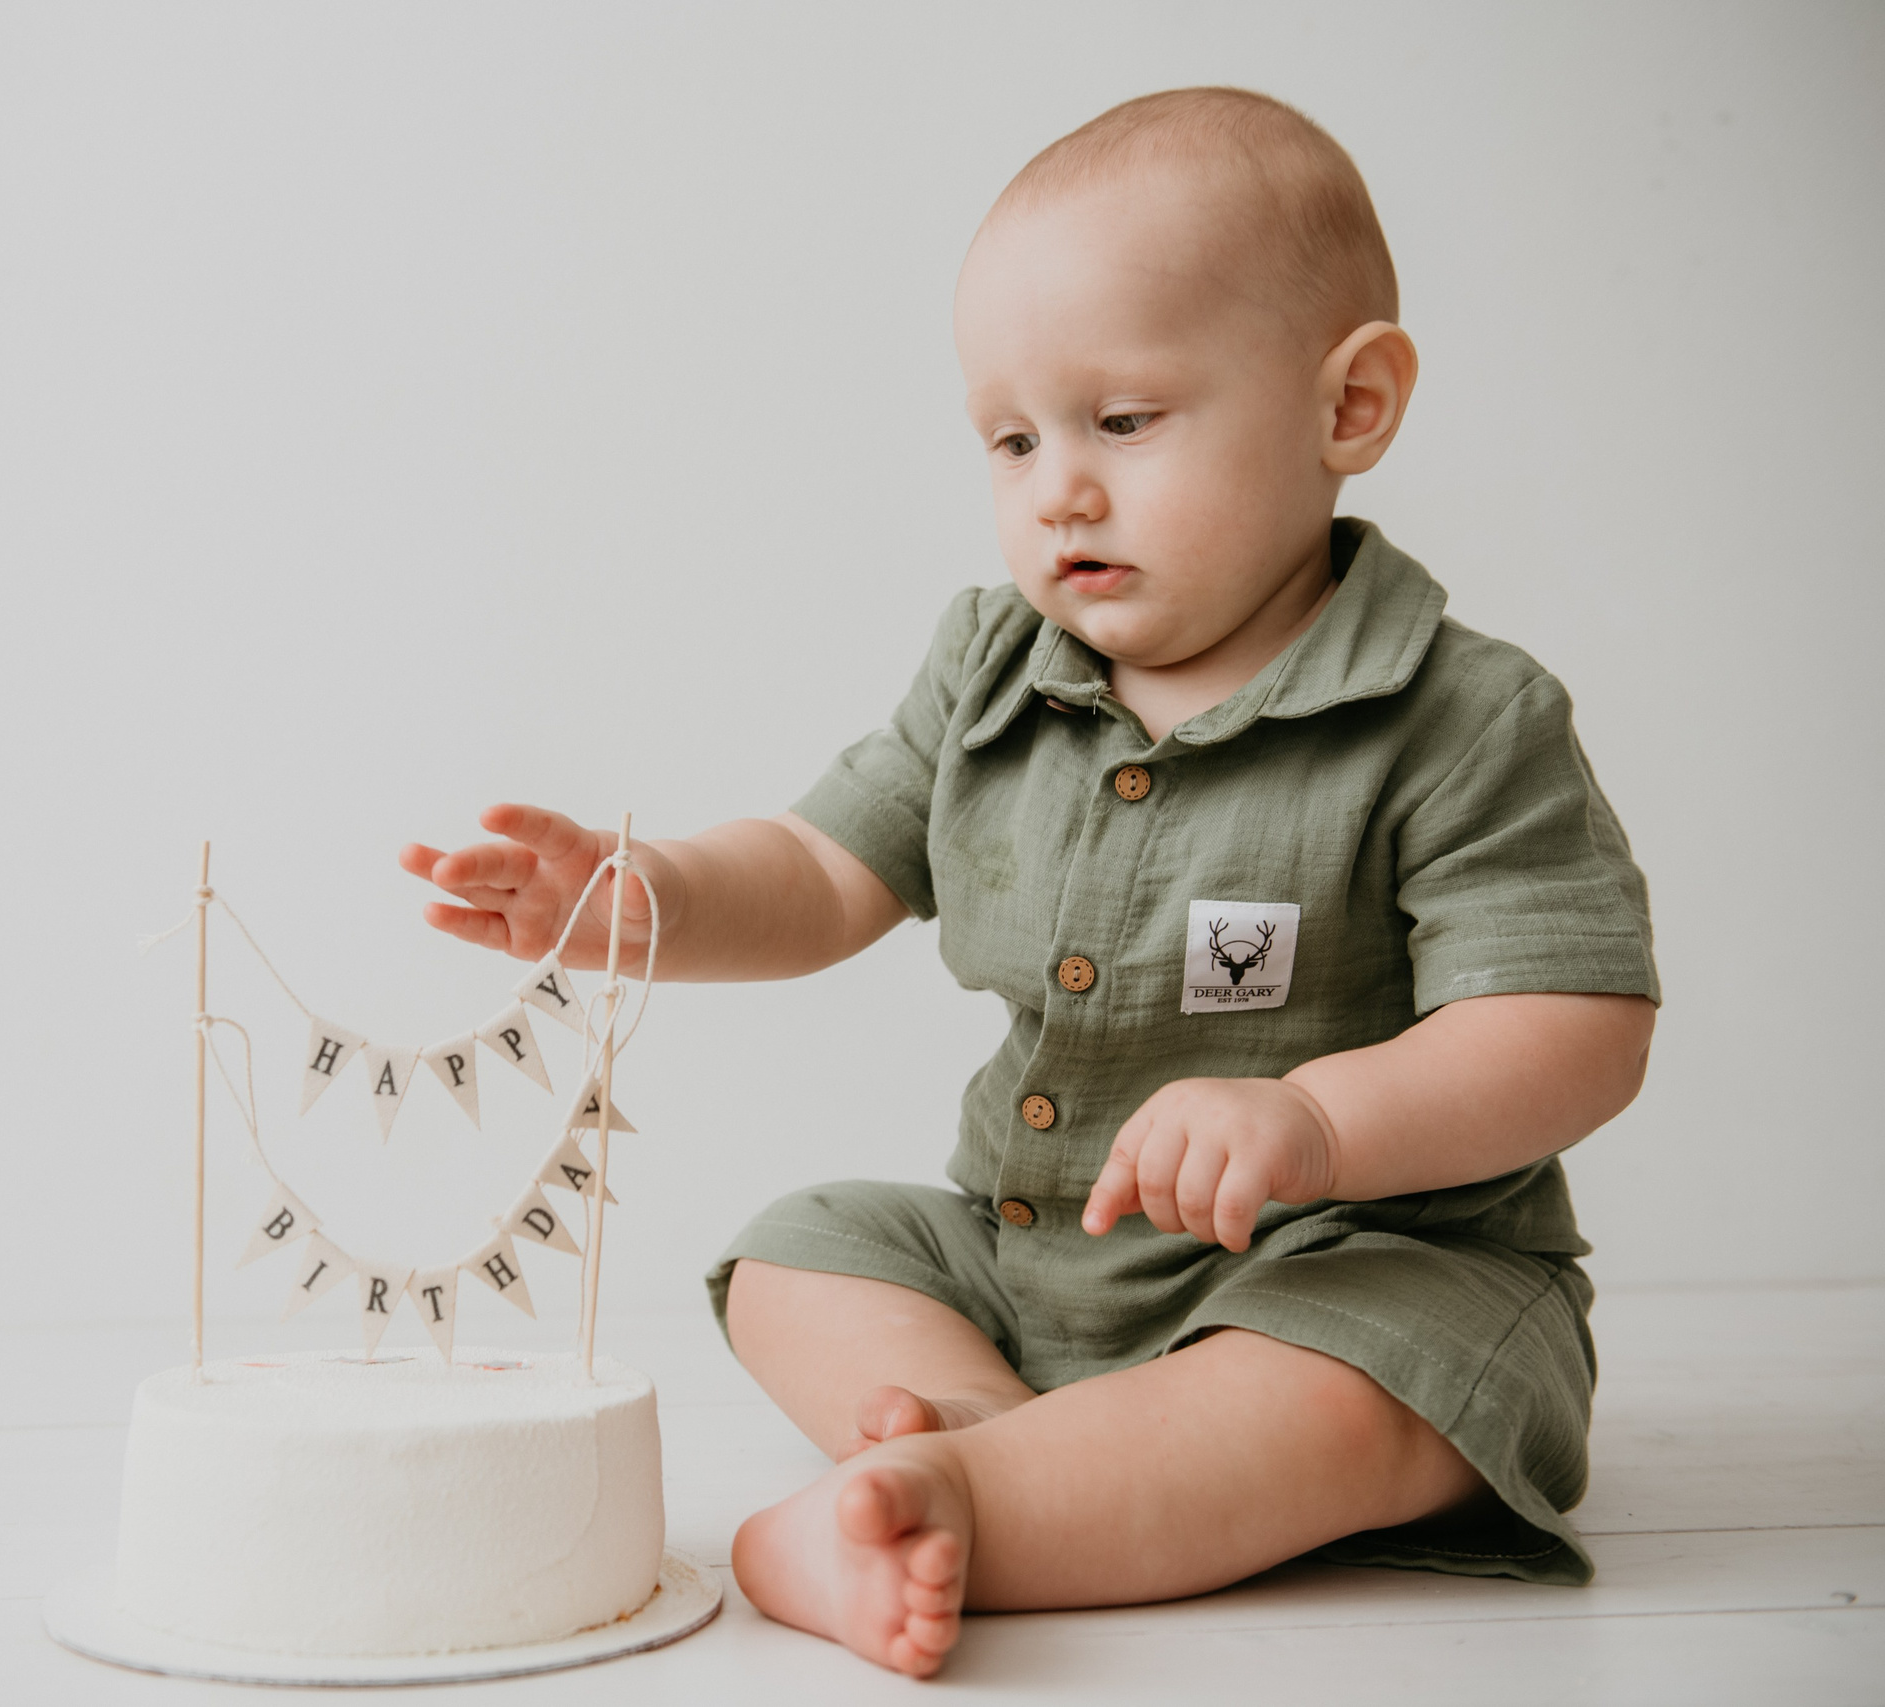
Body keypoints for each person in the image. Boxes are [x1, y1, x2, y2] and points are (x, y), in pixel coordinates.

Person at [398, 86, 1658, 1678]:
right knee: (799, 1250)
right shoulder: (996, 671)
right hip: (1037, 1263)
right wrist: (650, 895)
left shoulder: (1459, 717)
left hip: (1358, 1275)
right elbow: (821, 869)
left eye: (1122, 421)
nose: (1058, 487)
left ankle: (965, 1504)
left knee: (1370, 1388)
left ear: (1349, 406)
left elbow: (1576, 1026)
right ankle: (984, 1434)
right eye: (1012, 440)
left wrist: (1320, 1122)